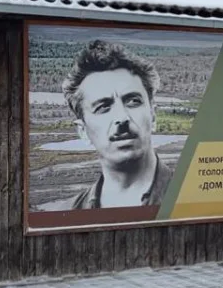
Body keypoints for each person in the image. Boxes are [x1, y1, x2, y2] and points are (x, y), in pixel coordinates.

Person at [62, 40, 173, 210]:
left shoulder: (190, 198)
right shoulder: (70, 212)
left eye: (133, 101)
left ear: (153, 116)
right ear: (83, 132)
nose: (122, 117)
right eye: (103, 107)